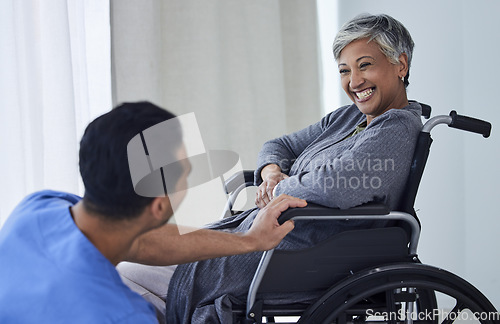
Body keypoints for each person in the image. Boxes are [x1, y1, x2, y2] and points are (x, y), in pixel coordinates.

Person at [159, 13, 424, 323]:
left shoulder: (395, 130)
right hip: (271, 237)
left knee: (137, 277)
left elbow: (337, 185)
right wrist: (271, 173)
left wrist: (279, 189)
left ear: (400, 64)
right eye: (344, 70)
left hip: (304, 250)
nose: (354, 82)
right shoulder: (346, 118)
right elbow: (278, 145)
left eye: (365, 65)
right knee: (142, 268)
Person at [0, 101, 306, 323]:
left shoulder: (39, 206)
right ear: (159, 204)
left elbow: (141, 241)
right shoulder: (122, 315)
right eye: (186, 171)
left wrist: (250, 240)